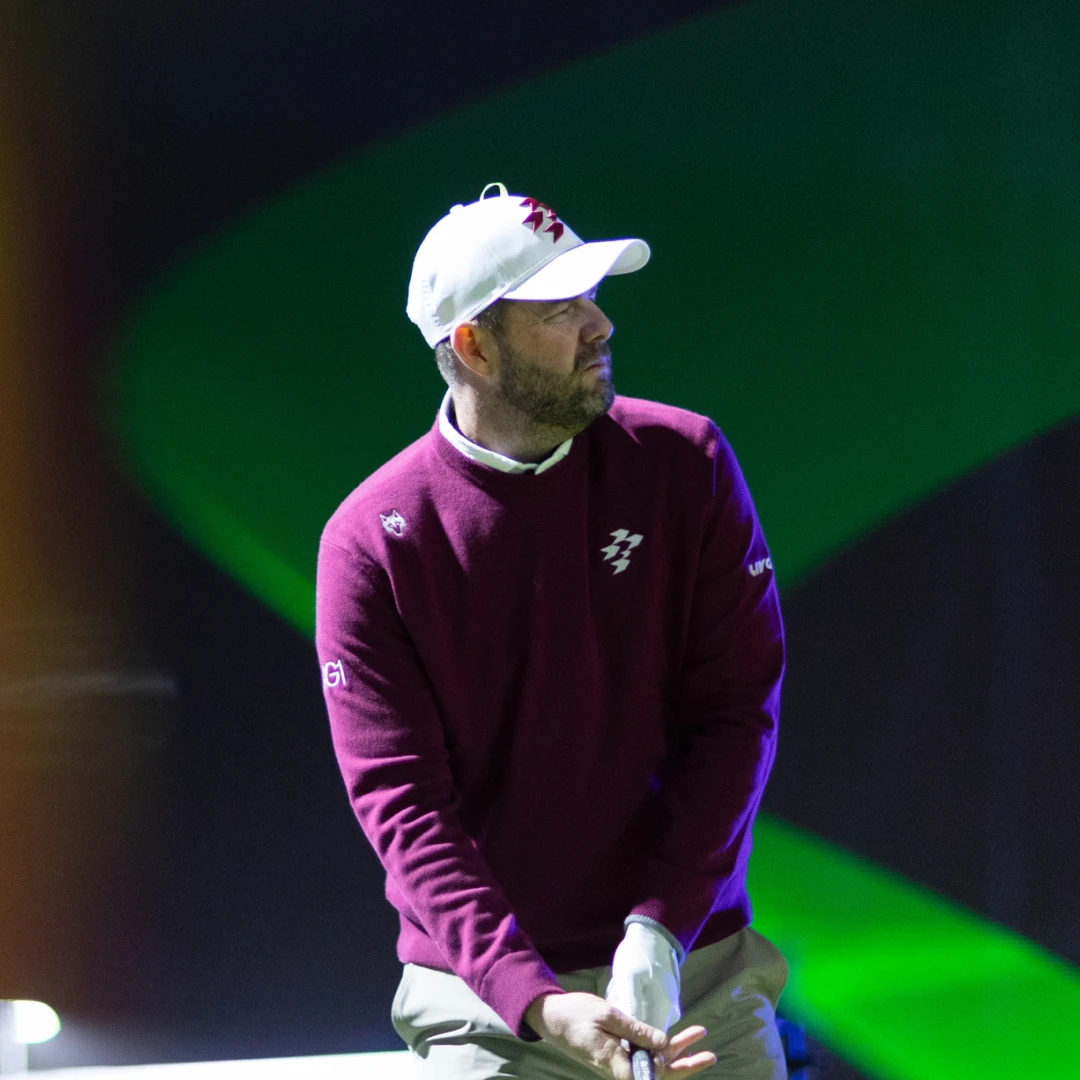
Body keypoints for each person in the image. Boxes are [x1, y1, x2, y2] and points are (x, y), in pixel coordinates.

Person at [315, 183, 788, 1080]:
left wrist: (658, 932)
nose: (600, 325)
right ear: (472, 346)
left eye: (594, 297)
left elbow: (737, 716)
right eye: (561, 307)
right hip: (483, 1000)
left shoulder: (687, 462)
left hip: (695, 970)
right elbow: (404, 805)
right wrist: (529, 995)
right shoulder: (370, 541)